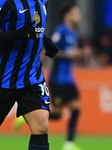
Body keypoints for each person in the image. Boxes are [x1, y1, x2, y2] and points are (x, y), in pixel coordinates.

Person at [0, 0, 59, 149]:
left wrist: (45, 41)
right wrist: (16, 34)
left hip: (32, 77)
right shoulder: (5, 2)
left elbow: (34, 27)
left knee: (41, 126)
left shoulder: (43, 1)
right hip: (4, 78)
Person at [48, 2, 82, 150]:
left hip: (69, 79)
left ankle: (69, 143)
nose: (78, 16)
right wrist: (69, 54)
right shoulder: (60, 31)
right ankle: (28, 115)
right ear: (67, 15)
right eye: (75, 13)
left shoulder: (74, 33)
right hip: (58, 80)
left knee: (76, 108)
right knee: (57, 114)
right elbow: (50, 51)